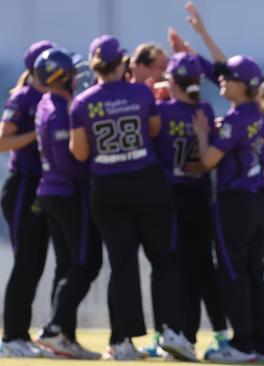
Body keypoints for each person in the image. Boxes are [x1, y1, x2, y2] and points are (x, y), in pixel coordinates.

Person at [68, 34, 195, 361]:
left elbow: (80, 152)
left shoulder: (82, 103)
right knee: (163, 260)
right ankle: (172, 332)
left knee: (122, 265)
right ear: (122, 62)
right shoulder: (140, 92)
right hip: (145, 181)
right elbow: (153, 129)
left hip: (107, 187)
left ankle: (121, 341)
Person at [192, 55, 264, 362]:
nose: (222, 80)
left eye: (229, 78)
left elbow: (208, 161)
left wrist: (202, 135)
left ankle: (242, 344)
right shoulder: (261, 114)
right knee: (253, 271)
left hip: (236, 202)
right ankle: (263, 344)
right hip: (261, 201)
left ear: (246, 86)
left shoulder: (237, 118)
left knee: (232, 270)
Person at [152, 52, 228, 360]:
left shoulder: (161, 111)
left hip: (173, 197)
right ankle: (204, 334)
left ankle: (180, 334)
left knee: (177, 269)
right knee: (201, 269)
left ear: (172, 80)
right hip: (200, 195)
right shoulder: (205, 110)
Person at [31, 48, 102, 360]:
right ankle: (56, 328)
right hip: (66, 193)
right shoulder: (60, 109)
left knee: (68, 265)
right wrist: (93, 170)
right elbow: (68, 160)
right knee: (86, 263)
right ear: (60, 76)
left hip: (52, 192)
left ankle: (65, 337)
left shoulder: (50, 102)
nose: (77, 76)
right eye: (70, 72)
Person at [0, 40, 60, 358]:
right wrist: (37, 134)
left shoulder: (51, 98)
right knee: (25, 262)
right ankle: (12, 335)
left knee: (35, 263)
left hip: (42, 185)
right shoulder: (24, 97)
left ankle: (21, 333)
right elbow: (2, 140)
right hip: (23, 185)